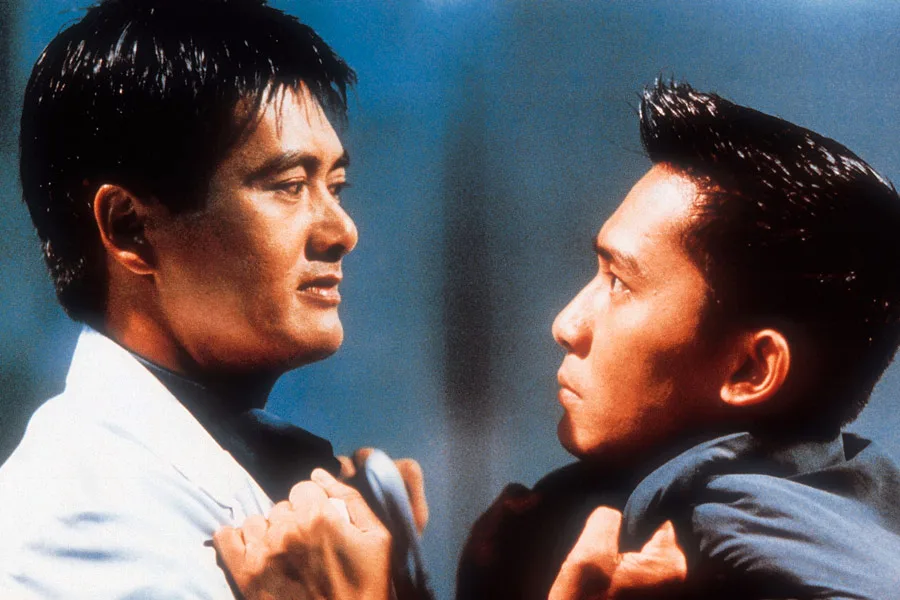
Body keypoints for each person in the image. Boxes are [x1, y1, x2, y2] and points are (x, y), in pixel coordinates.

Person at [0, 0, 421, 597]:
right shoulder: (80, 525)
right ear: (129, 228)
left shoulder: (300, 468)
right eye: (290, 186)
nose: (342, 231)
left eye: (336, 186)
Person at [457, 80, 900, 599]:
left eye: (620, 283)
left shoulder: (751, 570)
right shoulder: (846, 508)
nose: (566, 324)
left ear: (750, 370)